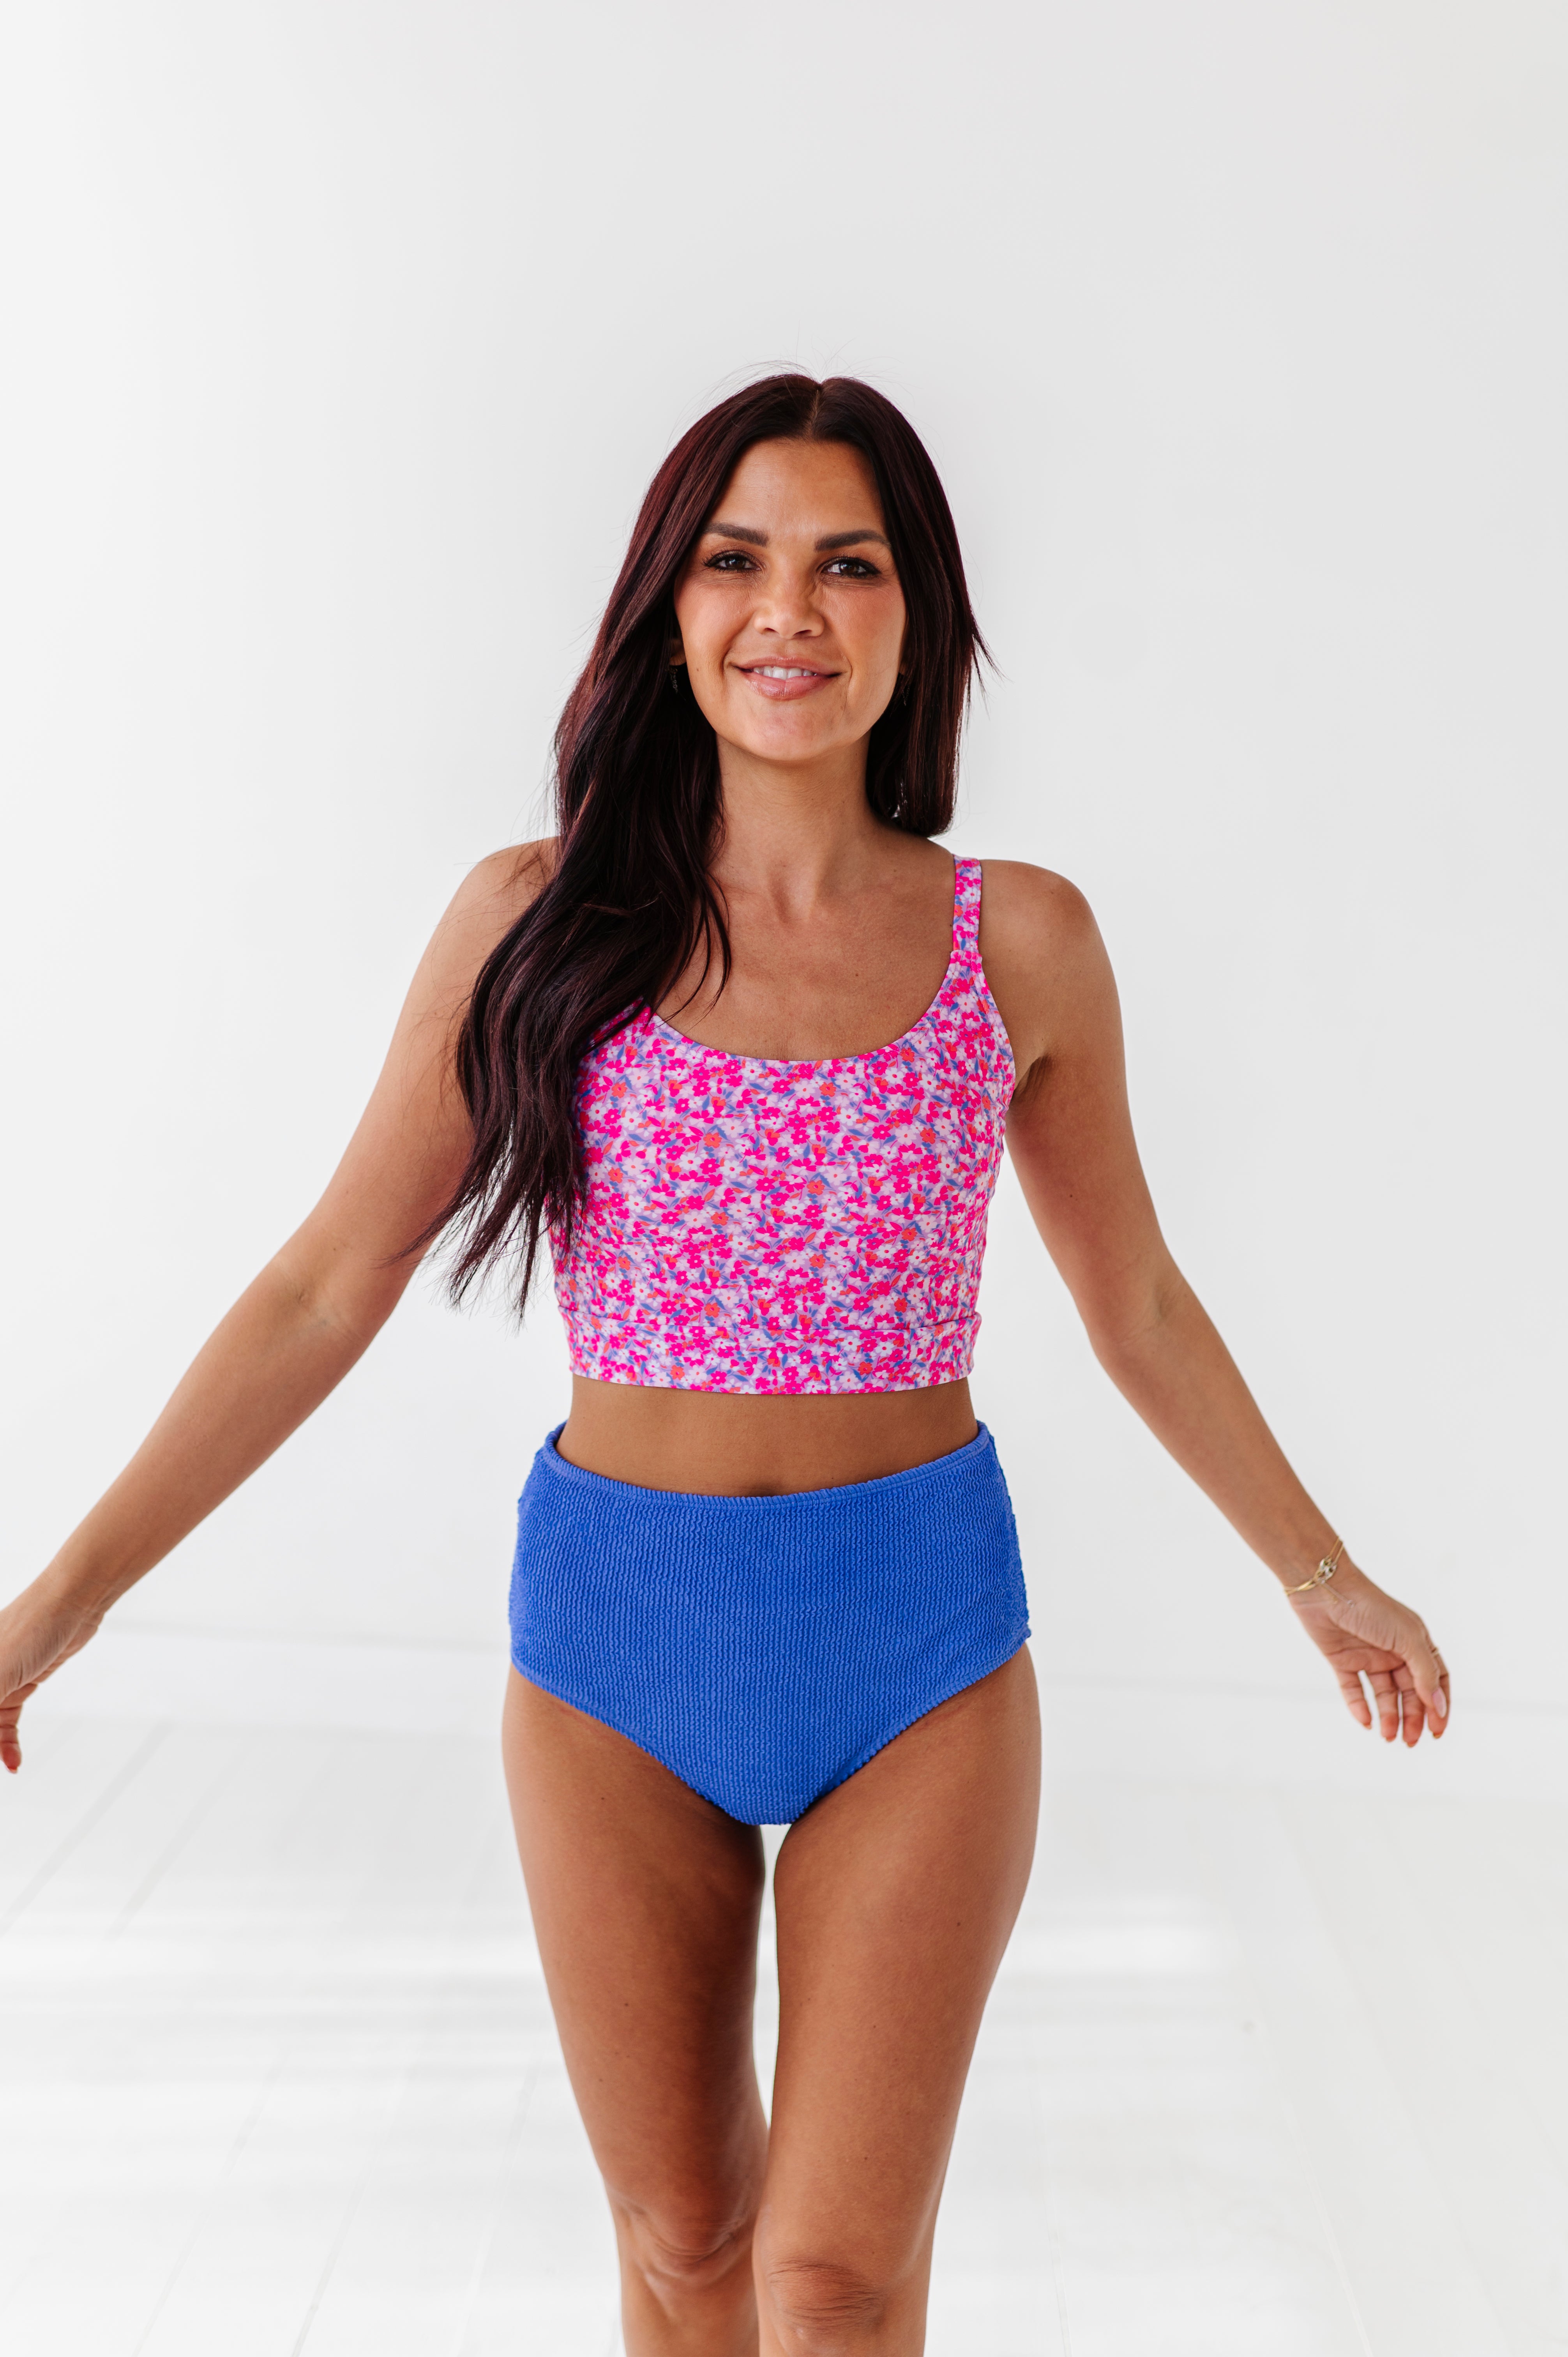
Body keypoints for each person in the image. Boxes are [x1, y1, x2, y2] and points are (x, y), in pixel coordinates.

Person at [0, 374, 1448, 2356]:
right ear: (667, 611)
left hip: (916, 1644)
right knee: (685, 2244)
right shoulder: (535, 923)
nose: (789, 610)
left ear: (918, 616)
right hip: (618, 1638)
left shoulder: (1018, 943)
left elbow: (1140, 1305)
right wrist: (59, 1604)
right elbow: (327, 1285)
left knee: (833, 2280)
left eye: (848, 565)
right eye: (734, 561)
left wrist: (1318, 1569)